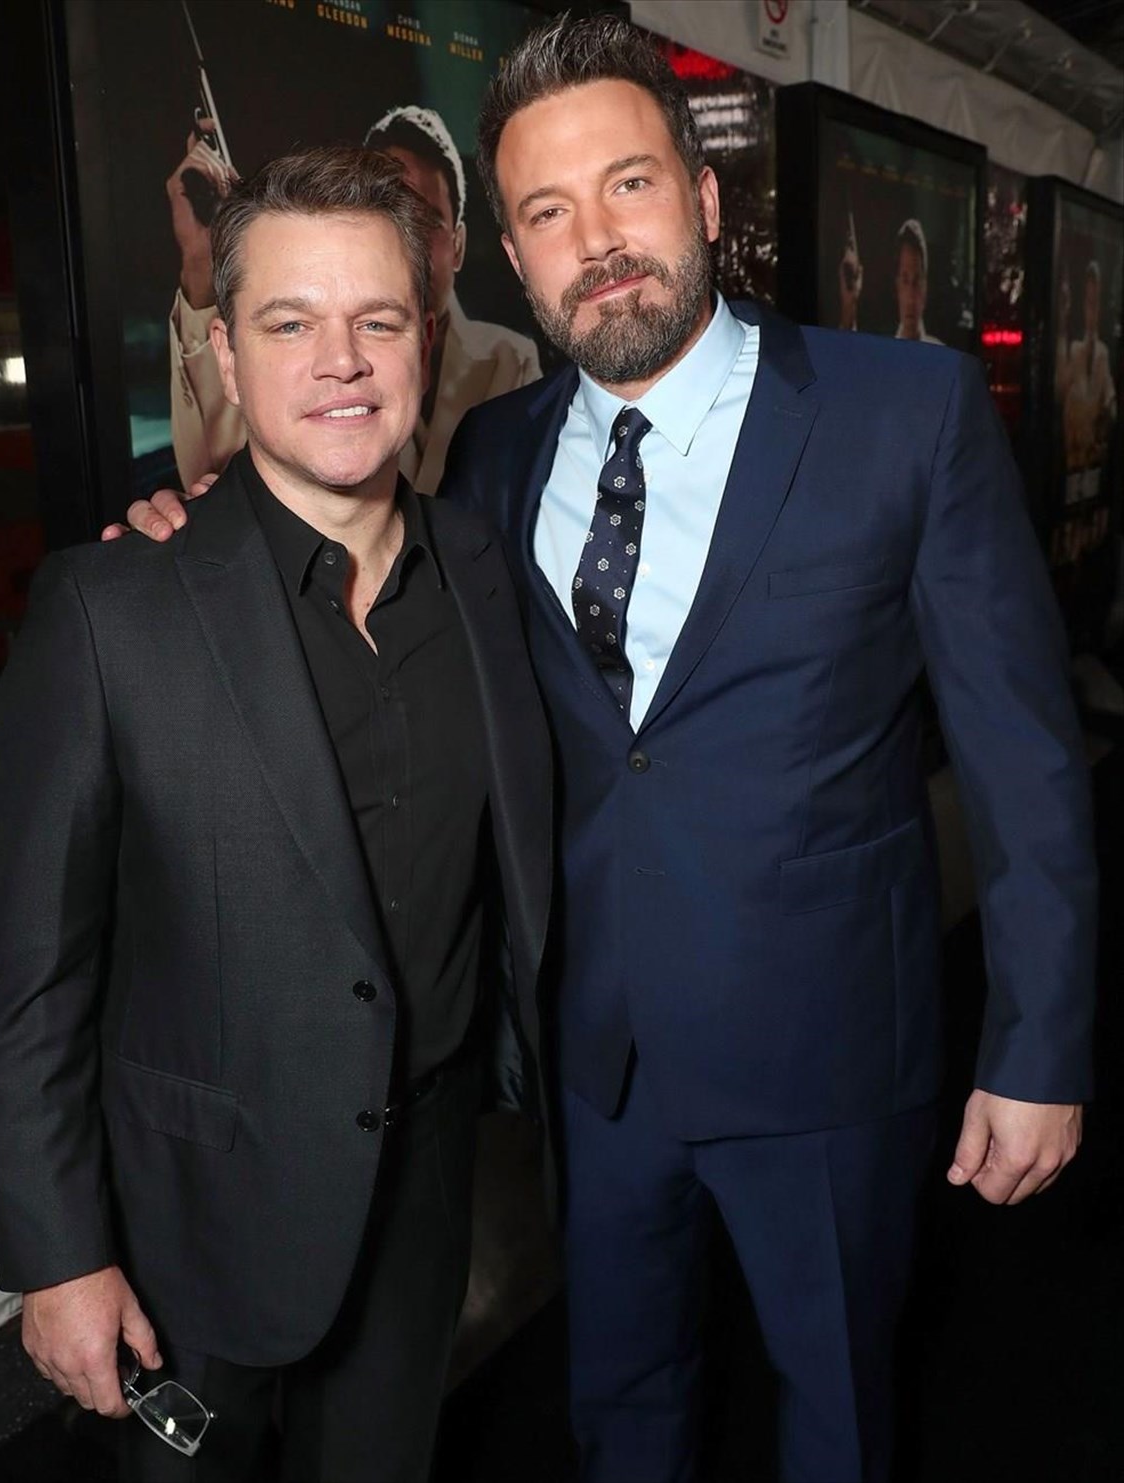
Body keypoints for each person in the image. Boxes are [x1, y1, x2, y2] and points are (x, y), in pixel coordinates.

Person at [120, 16, 1097, 1483]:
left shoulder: (907, 417)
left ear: (701, 199)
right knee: (618, 1410)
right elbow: (343, 558)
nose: (598, 242)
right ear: (511, 258)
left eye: (628, 185)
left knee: (841, 1415)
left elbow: (1026, 757)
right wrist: (193, 525)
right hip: (598, 1069)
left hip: (830, 1060)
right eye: (548, 211)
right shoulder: (495, 451)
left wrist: (1039, 1047)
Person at [0, 145, 551, 1483]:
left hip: (424, 1198)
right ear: (226, 354)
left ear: (429, 341)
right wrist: (58, 1255)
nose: (340, 361)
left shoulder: (484, 570)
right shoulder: (113, 609)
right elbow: (26, 983)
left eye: (378, 321)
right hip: (191, 1228)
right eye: (290, 323)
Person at [167, 104, 541, 494]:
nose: (343, 362)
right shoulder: (269, 374)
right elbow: (213, 469)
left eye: (426, 222)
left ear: (458, 244)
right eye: (292, 326)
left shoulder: (511, 359)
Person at [1055, 258, 1118, 503]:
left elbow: (1111, 399)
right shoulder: (1073, 351)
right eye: (1089, 303)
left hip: (1093, 471)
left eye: (1096, 303)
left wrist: (1108, 414)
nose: (1092, 312)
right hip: (1069, 472)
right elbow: (1059, 389)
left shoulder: (1103, 354)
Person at [893, 216, 943, 344]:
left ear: (925, 288)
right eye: (905, 280)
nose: (911, 297)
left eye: (916, 282)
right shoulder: (883, 354)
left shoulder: (939, 353)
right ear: (897, 286)